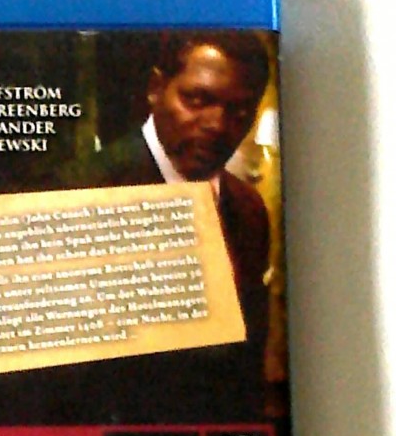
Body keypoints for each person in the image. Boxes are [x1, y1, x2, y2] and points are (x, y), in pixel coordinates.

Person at [93, 31, 272, 352]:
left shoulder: (249, 210)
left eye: (240, 111)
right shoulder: (82, 191)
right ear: (156, 88)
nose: (217, 124)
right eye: (197, 100)